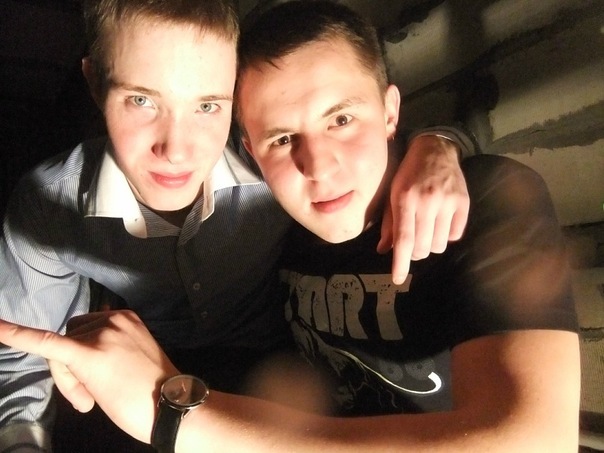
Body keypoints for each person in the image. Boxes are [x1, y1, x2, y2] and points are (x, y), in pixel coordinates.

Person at [0, 1, 581, 451]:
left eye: (341, 119)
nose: (318, 167)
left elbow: (533, 441)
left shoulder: (479, 199)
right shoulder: (283, 201)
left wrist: (174, 413)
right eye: (281, 139)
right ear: (252, 146)